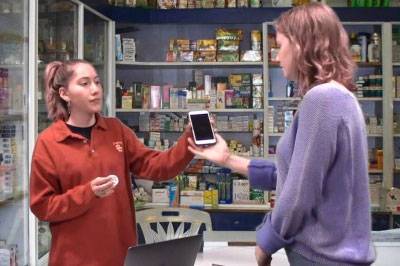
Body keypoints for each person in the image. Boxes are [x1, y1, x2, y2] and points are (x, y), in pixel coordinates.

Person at [188, 3, 375, 266]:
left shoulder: (321, 100)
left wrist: (266, 242)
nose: (277, 56)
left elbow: (299, 193)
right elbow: (293, 176)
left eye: (280, 45)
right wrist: (228, 159)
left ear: (301, 46)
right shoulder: (340, 96)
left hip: (322, 258)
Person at [29, 59, 194, 266]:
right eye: (84, 83)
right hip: (72, 260)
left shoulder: (116, 130)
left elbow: (158, 167)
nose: (95, 90)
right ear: (64, 94)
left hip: (120, 258)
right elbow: (42, 206)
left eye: (97, 82)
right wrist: (88, 193)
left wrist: (189, 140)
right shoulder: (49, 142)